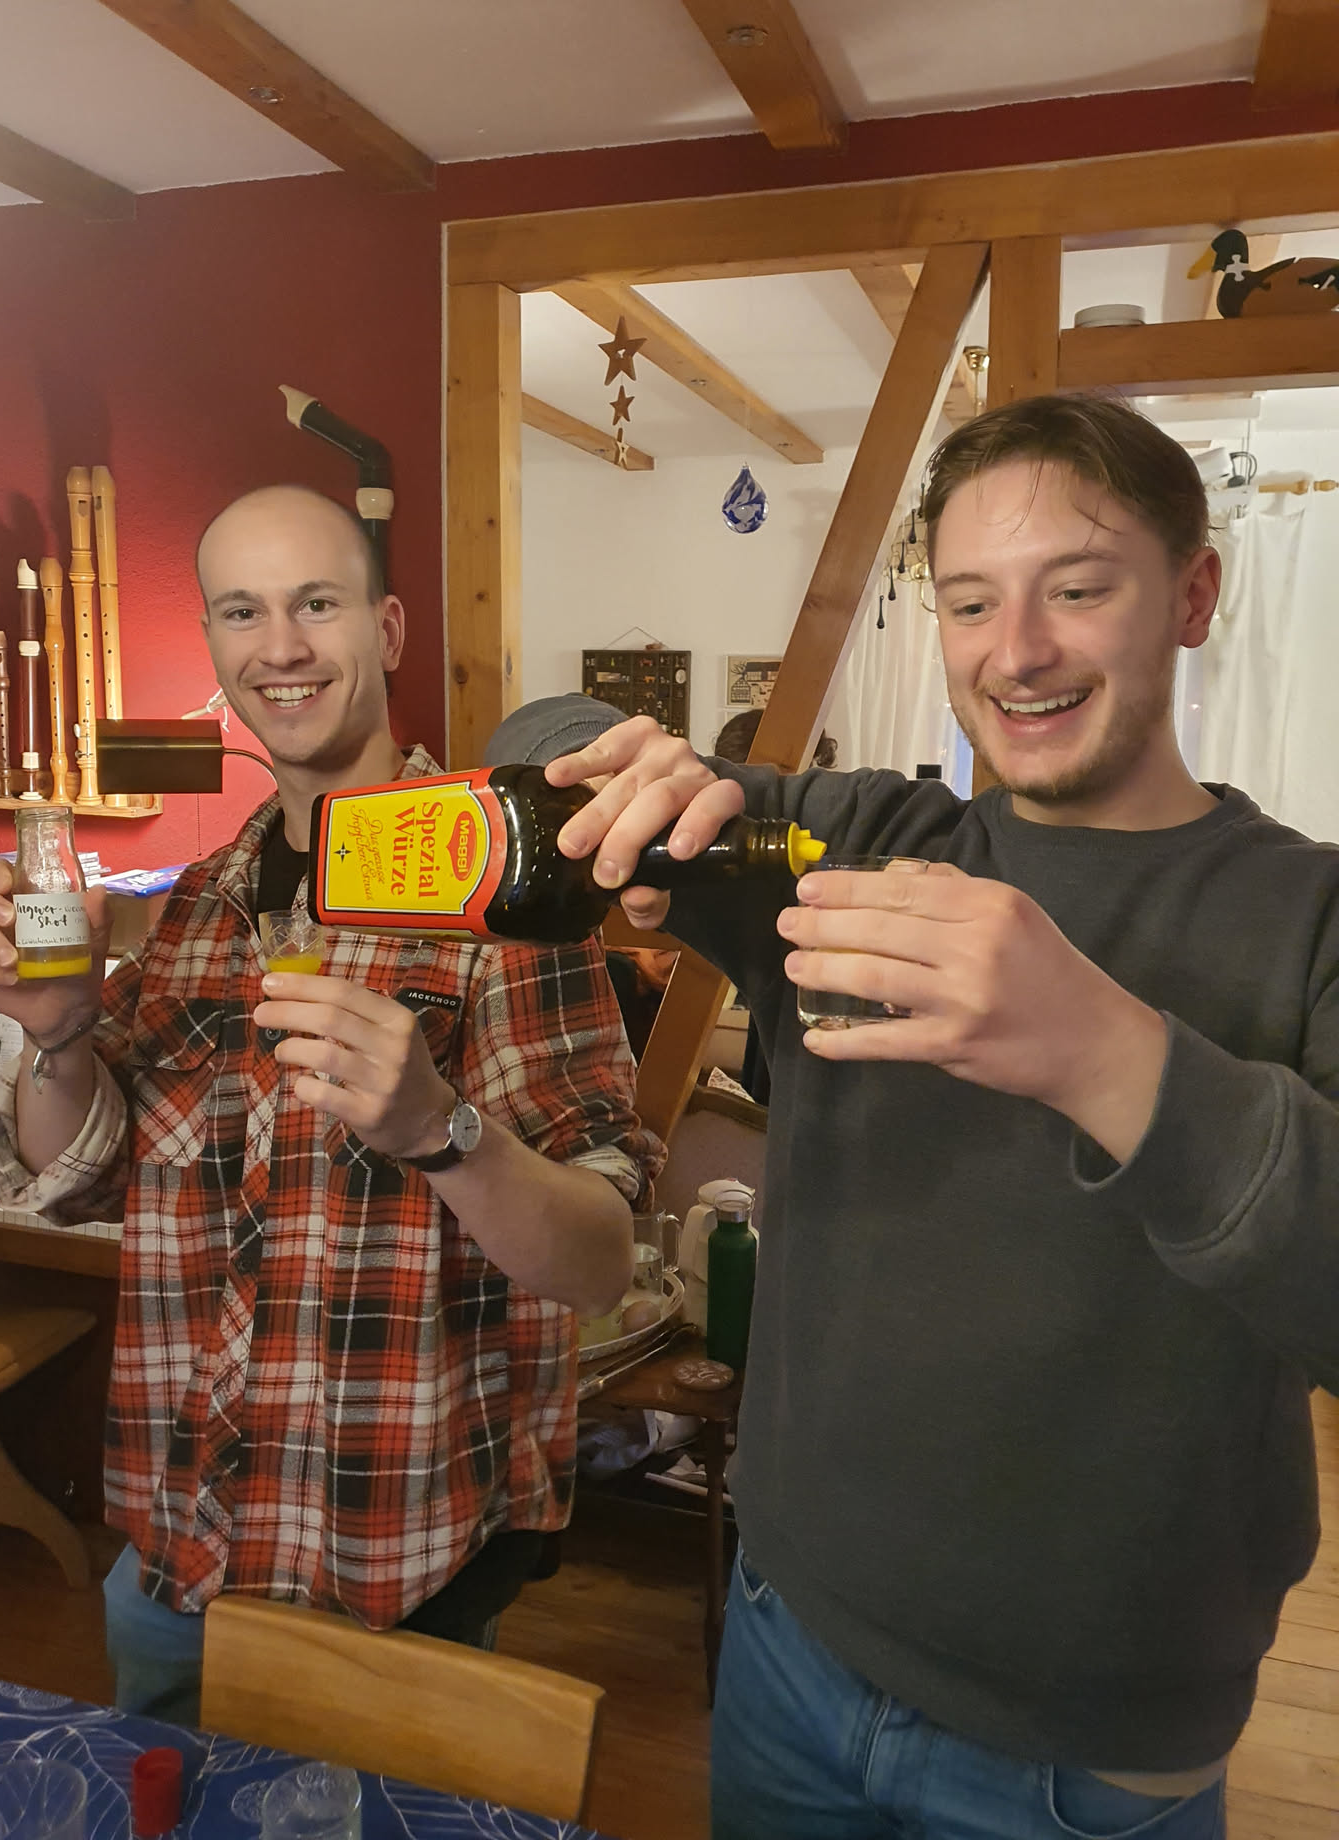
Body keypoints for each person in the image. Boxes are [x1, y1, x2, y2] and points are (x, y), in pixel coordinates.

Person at [533, 393, 1339, 1839]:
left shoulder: (1311, 917)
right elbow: (540, 752)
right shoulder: (853, 840)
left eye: (1077, 589)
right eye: (970, 602)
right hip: (787, 1645)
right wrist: (611, 761)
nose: (1014, 651)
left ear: (1194, 595)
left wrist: (1105, 1050)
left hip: (1094, 1746)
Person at [0, 485, 660, 1724]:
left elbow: (599, 1260)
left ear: (386, 630)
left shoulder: (503, 896)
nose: (280, 646)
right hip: (180, 1548)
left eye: (315, 604)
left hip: (397, 1564)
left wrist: (438, 1130)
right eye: (243, 612)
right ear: (215, 645)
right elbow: (77, 1179)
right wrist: (57, 1035)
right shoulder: (201, 901)